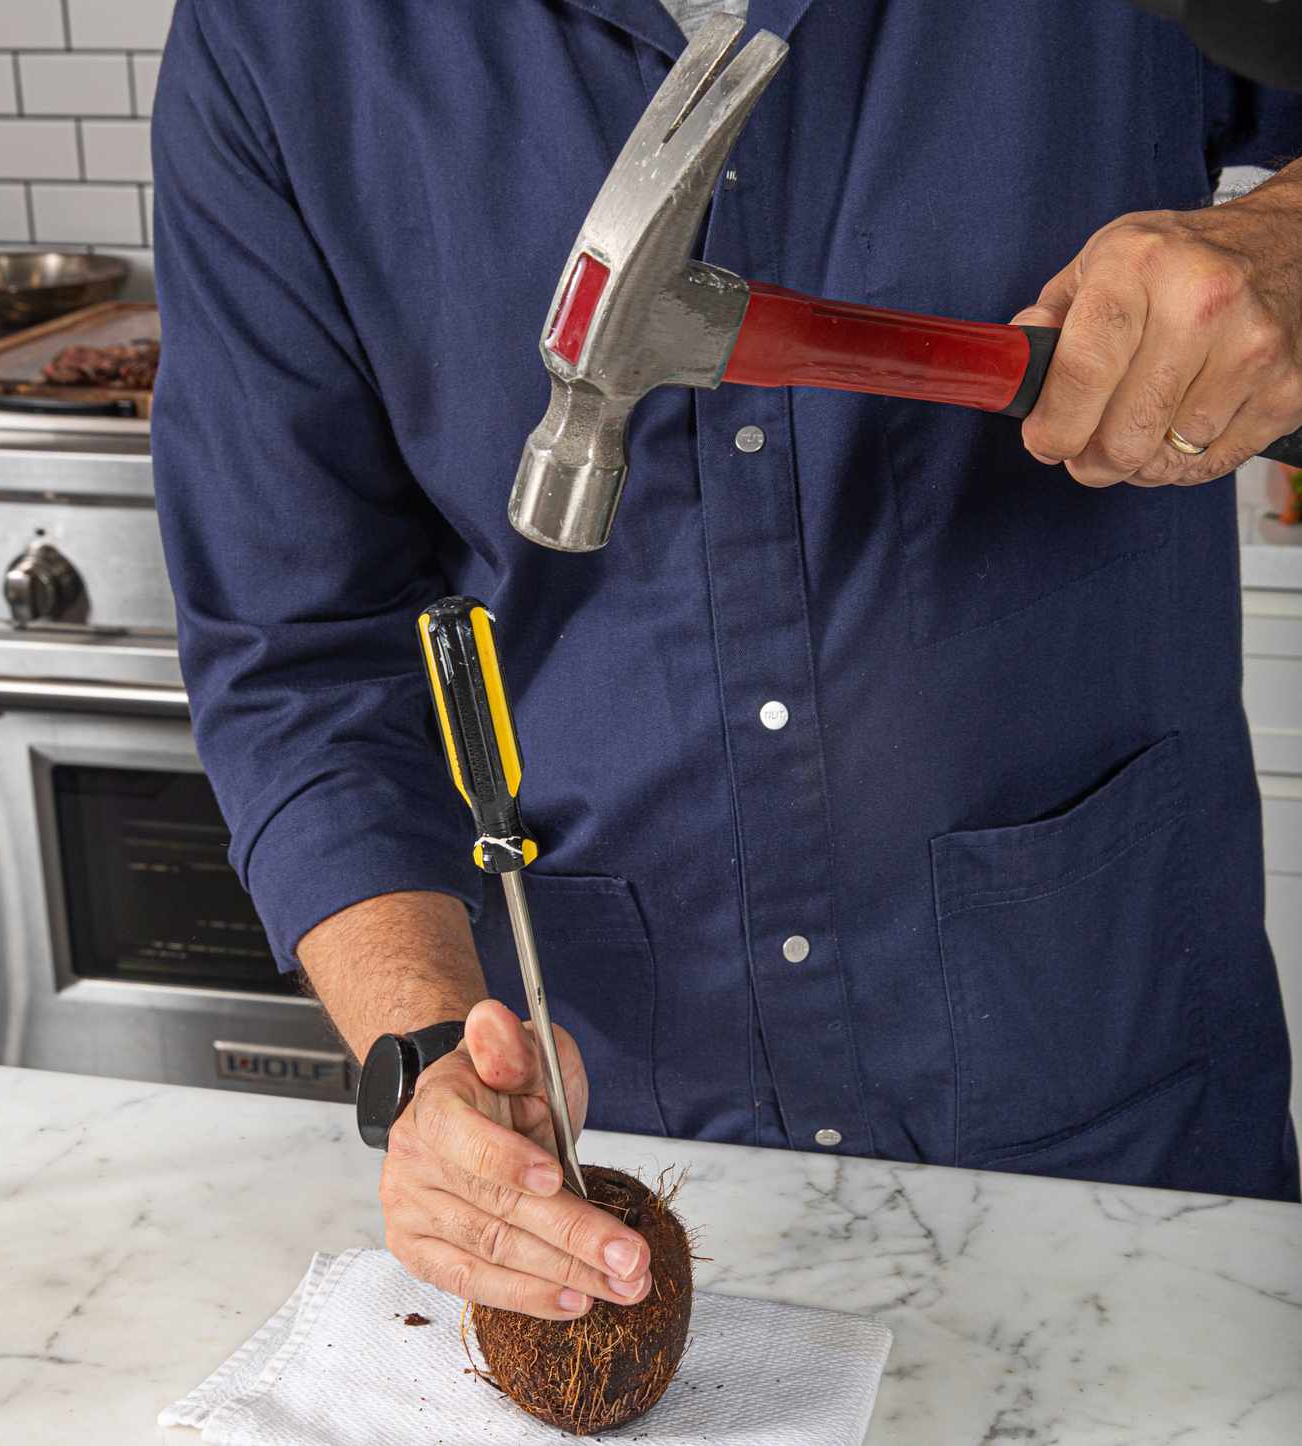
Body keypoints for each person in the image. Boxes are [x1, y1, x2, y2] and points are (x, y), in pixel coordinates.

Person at [151, 0, 1302, 1323]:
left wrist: (1284, 250)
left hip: (1114, 1110)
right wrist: (429, 1053)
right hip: (616, 1181)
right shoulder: (280, 34)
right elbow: (296, 658)